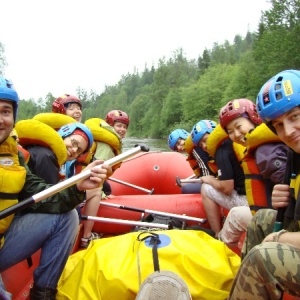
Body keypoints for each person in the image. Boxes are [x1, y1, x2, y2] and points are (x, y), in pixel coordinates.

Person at [0, 77, 110, 300]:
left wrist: (78, 187)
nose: (0, 119)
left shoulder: (14, 155)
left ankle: (43, 294)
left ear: (13, 117)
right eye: (73, 143)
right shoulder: (43, 155)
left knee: (67, 217)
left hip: (4, 238)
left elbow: (41, 194)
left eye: (5, 111)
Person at [228, 69, 300, 299]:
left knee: (263, 258)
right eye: (278, 125)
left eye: (295, 117)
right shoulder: (294, 153)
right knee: (261, 220)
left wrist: (280, 238)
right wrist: (291, 198)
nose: (287, 131)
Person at [216, 98, 288, 246]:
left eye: (238, 126)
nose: (236, 134)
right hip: (274, 214)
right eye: (230, 132)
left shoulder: (264, 152)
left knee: (235, 215)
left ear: (254, 119)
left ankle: (221, 249)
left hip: (280, 222)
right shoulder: (264, 145)